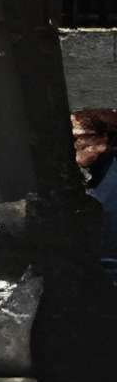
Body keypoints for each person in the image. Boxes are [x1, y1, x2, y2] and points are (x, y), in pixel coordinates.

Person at [75, 107, 117, 282]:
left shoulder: (106, 193)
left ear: (101, 140)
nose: (73, 144)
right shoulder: (104, 174)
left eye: (77, 138)